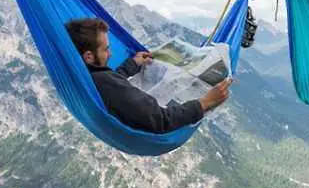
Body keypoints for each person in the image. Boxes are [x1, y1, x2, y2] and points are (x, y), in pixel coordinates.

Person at [65, 18, 232, 134]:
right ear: (88, 57)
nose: (110, 54)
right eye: (106, 49)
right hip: (149, 126)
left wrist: (133, 64)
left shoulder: (83, 75)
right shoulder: (106, 84)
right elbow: (162, 119)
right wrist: (205, 102)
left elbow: (111, 82)